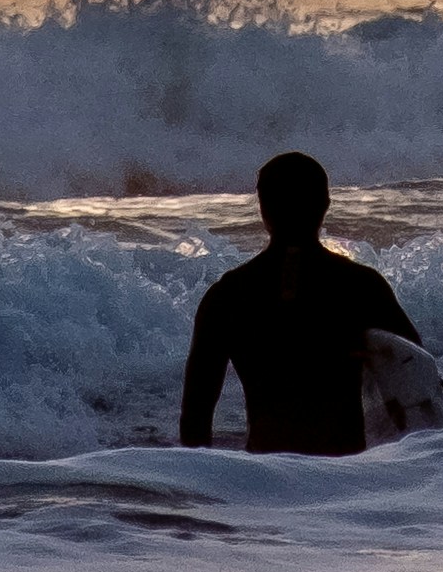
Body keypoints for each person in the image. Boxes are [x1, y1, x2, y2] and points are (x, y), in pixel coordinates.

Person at [178, 147, 421, 452]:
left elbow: (195, 417)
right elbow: (422, 385)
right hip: (346, 473)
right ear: (325, 205)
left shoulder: (227, 295)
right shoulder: (361, 286)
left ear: (263, 209)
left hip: (267, 472)